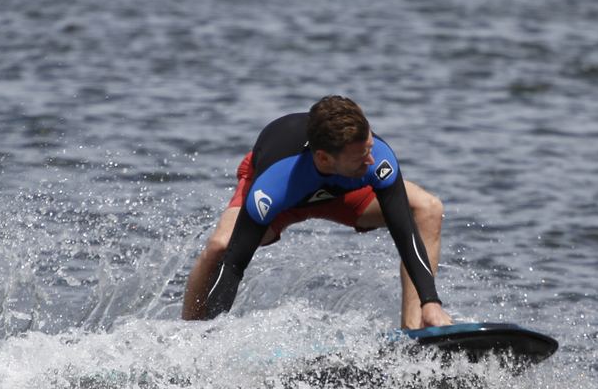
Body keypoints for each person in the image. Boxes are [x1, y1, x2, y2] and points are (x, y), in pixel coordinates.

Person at [181, 96, 453, 329]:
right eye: (361, 155)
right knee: (221, 246)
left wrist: (430, 300)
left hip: (343, 193)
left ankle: (416, 328)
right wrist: (214, 337)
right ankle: (194, 338)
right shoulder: (274, 183)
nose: (371, 160)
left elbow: (404, 234)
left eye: (369, 148)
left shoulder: (375, 158)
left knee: (428, 209)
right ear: (323, 157)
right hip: (287, 199)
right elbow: (235, 266)